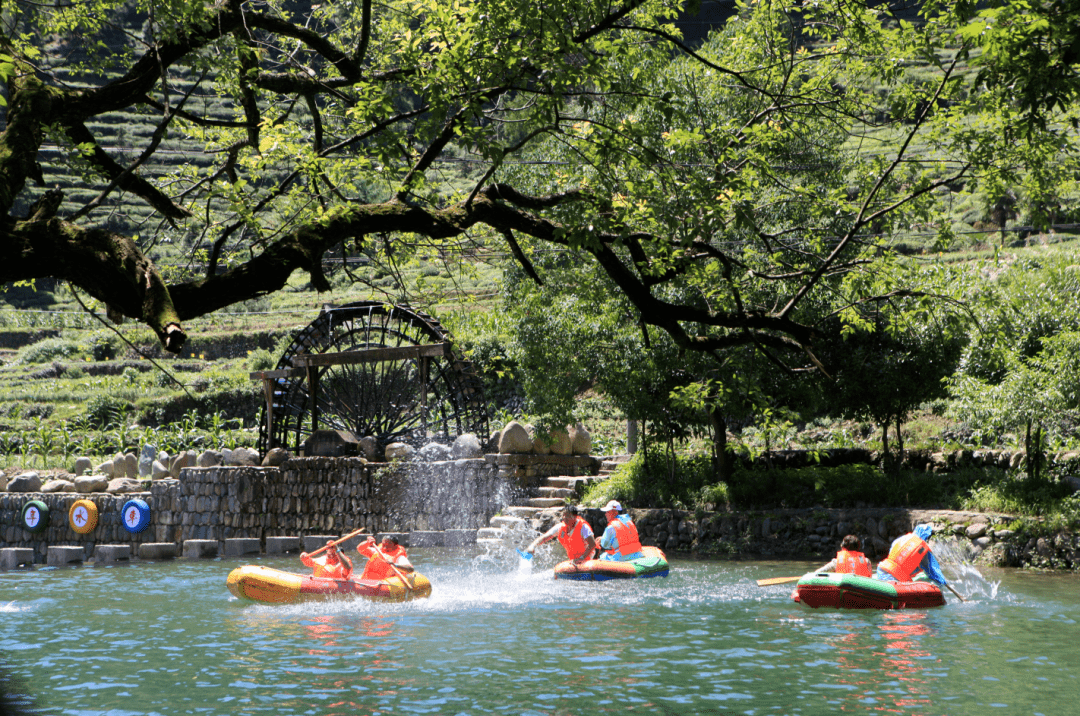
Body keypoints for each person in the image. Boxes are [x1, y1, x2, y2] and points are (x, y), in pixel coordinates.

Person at [875, 523, 949, 585]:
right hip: (895, 578)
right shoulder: (922, 549)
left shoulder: (901, 539)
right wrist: (942, 582)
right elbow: (933, 571)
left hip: (881, 569)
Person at [524, 505, 597, 564]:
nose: (564, 518)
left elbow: (592, 544)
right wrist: (532, 546)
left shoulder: (583, 527)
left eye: (567, 515)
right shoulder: (560, 527)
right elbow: (544, 538)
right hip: (574, 561)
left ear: (574, 517)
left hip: (588, 561)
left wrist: (582, 558)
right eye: (563, 515)